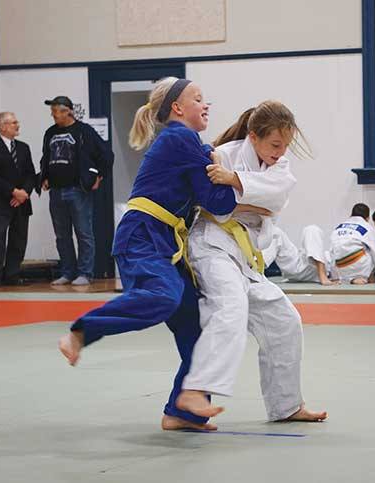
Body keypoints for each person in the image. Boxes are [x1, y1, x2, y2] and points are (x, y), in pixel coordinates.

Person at [57, 78, 237, 431]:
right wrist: (230, 177)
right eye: (198, 99)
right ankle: (82, 331)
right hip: (143, 237)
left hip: (165, 242)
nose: (206, 104)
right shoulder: (181, 138)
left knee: (193, 326)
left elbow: (212, 199)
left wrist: (221, 171)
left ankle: (181, 412)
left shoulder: (186, 143)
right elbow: (217, 200)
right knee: (162, 297)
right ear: (177, 108)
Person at [176, 102, 327, 423]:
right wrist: (246, 195)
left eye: (285, 146)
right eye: (275, 144)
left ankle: (286, 406)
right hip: (212, 247)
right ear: (254, 137)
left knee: (284, 321)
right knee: (230, 307)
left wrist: (232, 180)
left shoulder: (269, 166)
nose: (280, 152)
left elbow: (276, 201)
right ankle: (195, 389)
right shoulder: (221, 153)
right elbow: (215, 205)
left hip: (243, 256)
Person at [40, 95, 114, 286]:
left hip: (78, 190)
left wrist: (98, 176)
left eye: (56, 111)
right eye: (52, 112)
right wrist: (44, 177)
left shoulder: (84, 131)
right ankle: (67, 271)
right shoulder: (50, 133)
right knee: (62, 235)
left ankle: (85, 272)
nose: (53, 115)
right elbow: (45, 157)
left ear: (68, 112)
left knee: (83, 233)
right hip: (56, 191)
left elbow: (106, 155)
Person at [0, 112, 36, 287]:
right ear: (2, 126)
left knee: (19, 239)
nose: (17, 125)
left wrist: (24, 194)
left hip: (22, 201)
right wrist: (13, 192)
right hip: (2, 201)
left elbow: (30, 173)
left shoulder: (23, 148)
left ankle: (12, 274)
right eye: (13, 123)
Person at [329, 203, 375, 285]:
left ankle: (347, 279)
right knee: (372, 250)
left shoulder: (338, 228)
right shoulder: (367, 227)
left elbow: (332, 253)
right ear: (367, 218)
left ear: (351, 214)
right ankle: (363, 277)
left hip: (341, 270)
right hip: (360, 269)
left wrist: (335, 277)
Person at [261, 225, 337, 285]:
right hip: (300, 266)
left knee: (312, 229)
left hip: (319, 269)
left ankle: (322, 275)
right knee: (311, 229)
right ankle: (255, 268)